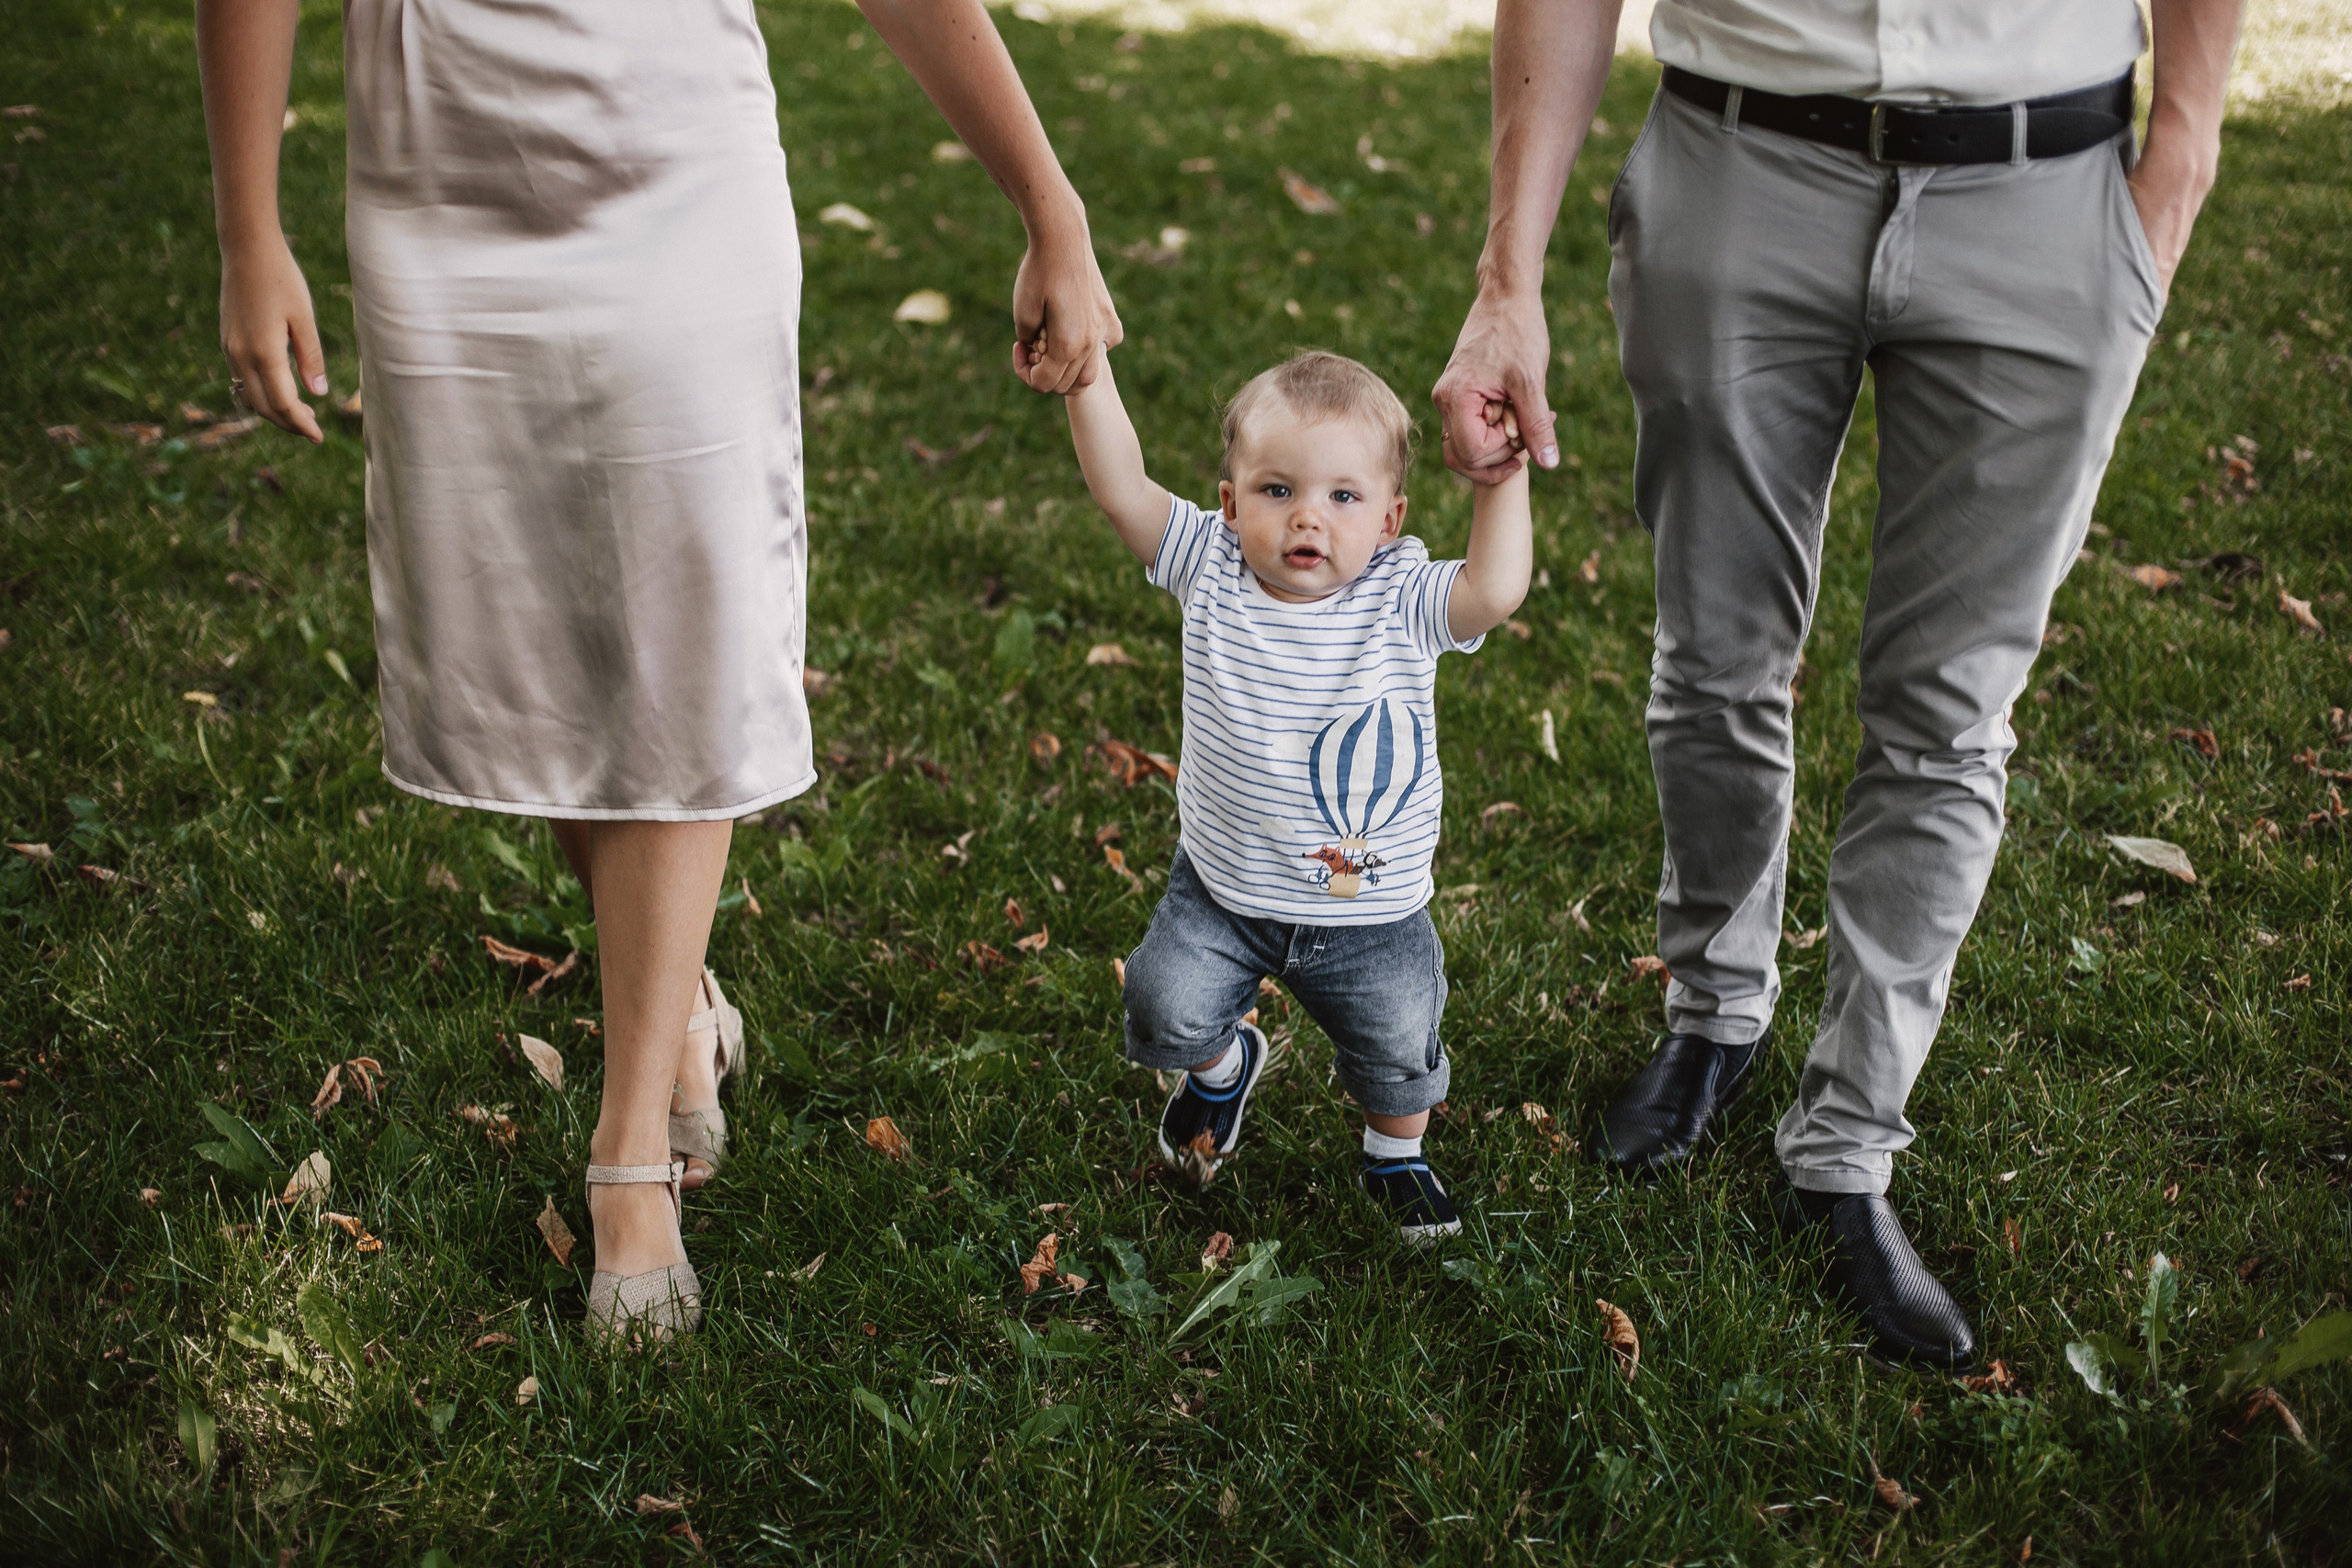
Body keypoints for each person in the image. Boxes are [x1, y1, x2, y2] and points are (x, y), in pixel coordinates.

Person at [197, 0, 1120, 1339]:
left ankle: (631, 1154)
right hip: (436, 179)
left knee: (678, 631)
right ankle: (676, 994)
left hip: (677, 172)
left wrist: (1049, 199)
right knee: (545, 637)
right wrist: (248, 227)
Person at [1434, 0, 2244, 1366]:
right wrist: (1508, 272)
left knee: (1947, 716)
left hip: (2044, 195)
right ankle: (1713, 1012)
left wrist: (2184, 151)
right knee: (1717, 655)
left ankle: (1850, 1141)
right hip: (1740, 167)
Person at [1060, 348, 1532, 1240]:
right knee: (1162, 1005)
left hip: (1374, 915)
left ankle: (1396, 1154)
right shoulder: (1210, 565)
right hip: (1223, 893)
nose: (1308, 516)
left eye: (1343, 497)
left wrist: (1498, 475)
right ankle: (1222, 1066)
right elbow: (1123, 488)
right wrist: (1089, 378)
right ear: (1230, 503)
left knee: (1397, 1050)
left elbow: (1496, 588)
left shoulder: (1401, 597)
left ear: (1390, 519)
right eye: (1277, 490)